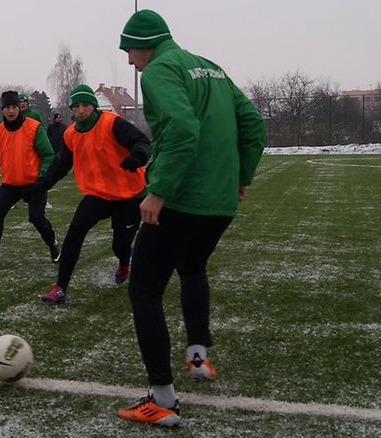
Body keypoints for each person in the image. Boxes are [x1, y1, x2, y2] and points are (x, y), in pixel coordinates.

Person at [115, 10, 266, 427]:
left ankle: (162, 400)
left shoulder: (159, 70)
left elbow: (182, 130)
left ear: (143, 43)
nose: (129, 60)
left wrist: (159, 191)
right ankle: (197, 355)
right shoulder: (212, 69)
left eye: (128, 49)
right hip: (219, 203)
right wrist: (241, 177)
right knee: (193, 267)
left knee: (144, 290)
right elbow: (253, 124)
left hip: (181, 199)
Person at [23, 84, 150, 305]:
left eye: (86, 105)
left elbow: (141, 142)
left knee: (119, 246)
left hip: (128, 195)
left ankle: (124, 263)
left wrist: (138, 156)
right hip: (98, 195)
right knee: (74, 234)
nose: (82, 110)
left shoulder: (112, 123)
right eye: (77, 106)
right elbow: (60, 167)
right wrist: (39, 186)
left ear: (93, 106)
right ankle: (60, 287)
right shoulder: (71, 134)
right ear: (71, 109)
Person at [0, 91, 60, 269]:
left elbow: (48, 156)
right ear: (2, 110)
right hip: (11, 185)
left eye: (14, 107)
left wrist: (42, 178)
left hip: (34, 184)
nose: (11, 111)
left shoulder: (34, 128)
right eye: (7, 107)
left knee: (36, 217)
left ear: (19, 108)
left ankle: (53, 244)